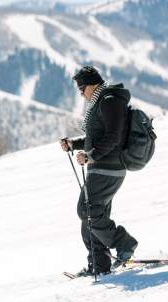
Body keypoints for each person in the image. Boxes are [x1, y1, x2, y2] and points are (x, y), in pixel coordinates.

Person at [60, 66, 138, 276]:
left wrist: (90, 155)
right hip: (102, 168)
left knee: (87, 211)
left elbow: (114, 136)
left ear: (93, 84)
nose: (81, 93)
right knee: (90, 216)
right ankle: (99, 265)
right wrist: (74, 144)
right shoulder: (101, 102)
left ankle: (125, 243)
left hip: (109, 168)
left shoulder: (109, 100)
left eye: (82, 88)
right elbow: (98, 137)